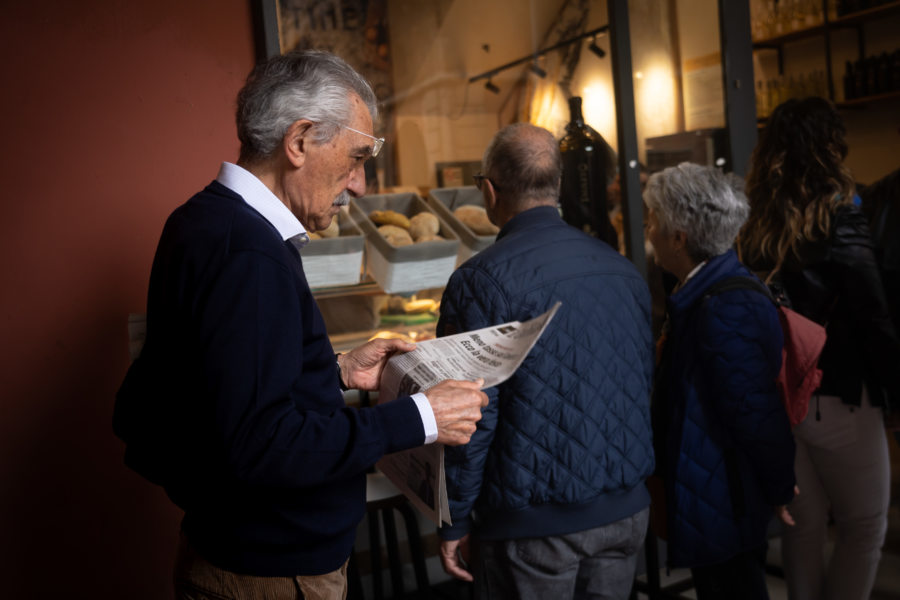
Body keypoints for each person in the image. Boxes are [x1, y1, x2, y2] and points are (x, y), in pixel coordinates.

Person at [112, 50, 488, 600]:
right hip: (269, 574)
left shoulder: (202, 218)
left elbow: (226, 382)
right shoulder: (250, 253)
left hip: (238, 551)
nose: (359, 184)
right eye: (357, 157)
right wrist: (420, 417)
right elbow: (263, 445)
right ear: (300, 141)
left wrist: (332, 368)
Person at [436, 122, 656, 599]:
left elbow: (467, 417)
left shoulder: (480, 281)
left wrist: (452, 517)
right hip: (625, 513)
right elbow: (642, 384)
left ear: (489, 192)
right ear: (555, 187)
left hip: (531, 527)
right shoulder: (623, 270)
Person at [739, 96, 900, 600]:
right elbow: (873, 316)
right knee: (864, 526)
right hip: (840, 396)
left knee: (801, 526)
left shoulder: (752, 221)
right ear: (829, 145)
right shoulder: (840, 216)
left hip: (780, 396)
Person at [645, 162, 796, 599]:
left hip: (726, 493)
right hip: (717, 487)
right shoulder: (701, 293)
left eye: (653, 220)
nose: (648, 232)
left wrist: (779, 484)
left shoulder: (722, 306)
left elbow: (755, 412)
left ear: (680, 238)